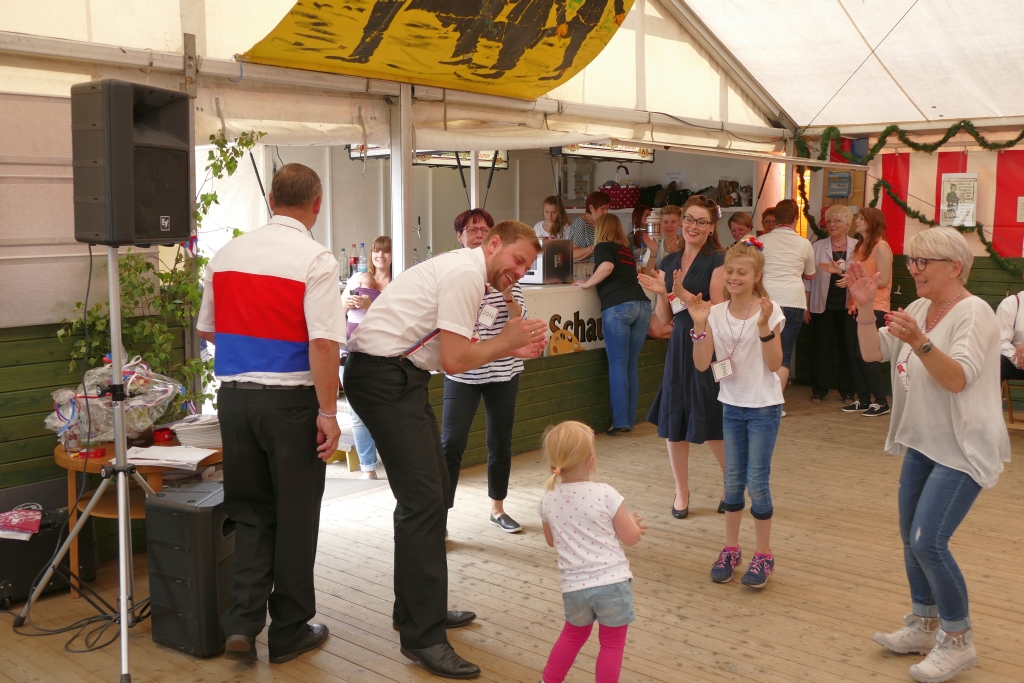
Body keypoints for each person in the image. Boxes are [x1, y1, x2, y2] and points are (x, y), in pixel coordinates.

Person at [344, 220, 548, 679]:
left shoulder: (469, 274)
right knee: (423, 501)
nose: (519, 272)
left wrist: (508, 348)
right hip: (383, 378)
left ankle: (418, 610)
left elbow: (459, 351)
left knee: (432, 491)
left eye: (527, 268)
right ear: (493, 244)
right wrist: (507, 342)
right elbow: (457, 362)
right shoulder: (465, 275)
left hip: (398, 376)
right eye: (517, 260)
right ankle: (423, 635)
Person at [847, 227, 1010, 683]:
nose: (913, 270)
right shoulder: (919, 309)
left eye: (923, 262)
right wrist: (865, 307)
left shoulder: (974, 312)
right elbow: (872, 352)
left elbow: (957, 379)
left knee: (928, 541)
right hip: (923, 442)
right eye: (911, 261)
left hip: (963, 446)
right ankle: (924, 623)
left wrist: (921, 342)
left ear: (954, 267)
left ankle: (958, 640)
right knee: (910, 537)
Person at [196, 163, 342, 664]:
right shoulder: (316, 259)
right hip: (292, 405)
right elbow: (323, 343)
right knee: (296, 517)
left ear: (272, 199)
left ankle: (241, 626)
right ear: (316, 204)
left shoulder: (227, 254)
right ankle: (288, 632)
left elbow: (207, 329)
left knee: (250, 514)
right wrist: (328, 412)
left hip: (235, 401)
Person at [689, 237, 785, 589]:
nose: (734, 277)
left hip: (763, 407)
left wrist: (763, 328)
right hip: (731, 405)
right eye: (729, 271)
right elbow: (703, 364)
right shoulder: (715, 313)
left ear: (757, 275)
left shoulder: (769, 311)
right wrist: (700, 326)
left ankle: (764, 554)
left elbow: (774, 364)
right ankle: (731, 550)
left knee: (756, 481)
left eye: (742, 272)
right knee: (732, 481)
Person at [638, 195, 727, 519]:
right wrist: (663, 294)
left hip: (708, 343)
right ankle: (681, 491)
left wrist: (678, 292)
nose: (693, 226)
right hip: (679, 344)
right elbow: (665, 317)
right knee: (674, 419)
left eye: (701, 221)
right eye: (689, 219)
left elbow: (717, 308)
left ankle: (731, 484)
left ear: (711, 227)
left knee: (712, 415)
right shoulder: (670, 261)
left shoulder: (718, 260)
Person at [538, 421, 646, 683]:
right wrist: (632, 524)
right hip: (612, 584)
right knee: (612, 644)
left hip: (574, 587)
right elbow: (630, 538)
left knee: (572, 636)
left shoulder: (547, 498)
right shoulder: (605, 493)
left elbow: (552, 541)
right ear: (591, 460)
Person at [443, 210, 528, 534]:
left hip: (503, 372)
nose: (479, 234)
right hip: (463, 373)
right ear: (460, 237)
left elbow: (521, 321)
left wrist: (506, 293)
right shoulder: (454, 275)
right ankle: (440, 516)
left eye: (485, 229)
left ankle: (497, 508)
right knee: (451, 443)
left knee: (500, 441)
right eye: (472, 229)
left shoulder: (507, 273)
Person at [574, 214, 653, 434]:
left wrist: (587, 283)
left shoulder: (603, 247)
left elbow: (607, 267)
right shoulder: (626, 251)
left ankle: (620, 422)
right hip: (643, 307)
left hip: (619, 307)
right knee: (630, 365)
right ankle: (629, 420)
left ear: (600, 229)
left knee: (618, 364)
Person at [341, 235, 393, 479]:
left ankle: (393, 461)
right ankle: (368, 466)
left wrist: (370, 305)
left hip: (383, 355)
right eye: (376, 251)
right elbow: (337, 310)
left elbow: (398, 319)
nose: (380, 256)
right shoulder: (357, 279)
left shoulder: (398, 283)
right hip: (351, 353)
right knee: (356, 415)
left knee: (387, 412)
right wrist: (349, 303)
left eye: (386, 251)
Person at [760, 199, 815, 409]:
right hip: (793, 301)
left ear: (776, 218)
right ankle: (775, 405)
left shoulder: (762, 241)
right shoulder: (804, 244)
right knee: (785, 353)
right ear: (796, 219)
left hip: (766, 301)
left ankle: (760, 400)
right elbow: (810, 275)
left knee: (763, 350)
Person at [843, 207, 892, 416]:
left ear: (872, 222)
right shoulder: (860, 247)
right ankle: (863, 400)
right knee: (853, 354)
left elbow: (884, 279)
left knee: (866, 355)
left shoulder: (881, 247)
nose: (857, 221)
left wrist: (858, 282)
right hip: (855, 306)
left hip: (875, 306)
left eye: (861, 218)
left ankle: (881, 401)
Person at [807, 205, 858, 404]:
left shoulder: (857, 246)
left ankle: (847, 392)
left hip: (849, 306)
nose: (831, 224)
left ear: (847, 224)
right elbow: (808, 277)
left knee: (847, 349)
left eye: (836, 221)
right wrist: (806, 305)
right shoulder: (817, 247)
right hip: (823, 305)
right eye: (829, 221)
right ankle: (819, 390)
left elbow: (863, 276)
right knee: (821, 349)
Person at [568, 191, 610, 264]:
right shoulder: (581, 223)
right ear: (591, 208)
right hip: (584, 267)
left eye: (607, 208)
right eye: (603, 208)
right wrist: (594, 247)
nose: (606, 212)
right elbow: (572, 254)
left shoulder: (603, 223)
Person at [642, 204, 681, 275]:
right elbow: (648, 276)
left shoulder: (684, 246)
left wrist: (672, 256)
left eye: (673, 222)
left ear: (679, 224)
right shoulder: (656, 245)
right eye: (665, 222)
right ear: (661, 224)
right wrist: (653, 252)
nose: (669, 226)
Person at [996, 287, 1024, 381]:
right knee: (995, 362)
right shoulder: (1011, 304)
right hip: (1018, 361)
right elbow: (1001, 341)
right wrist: (1019, 360)